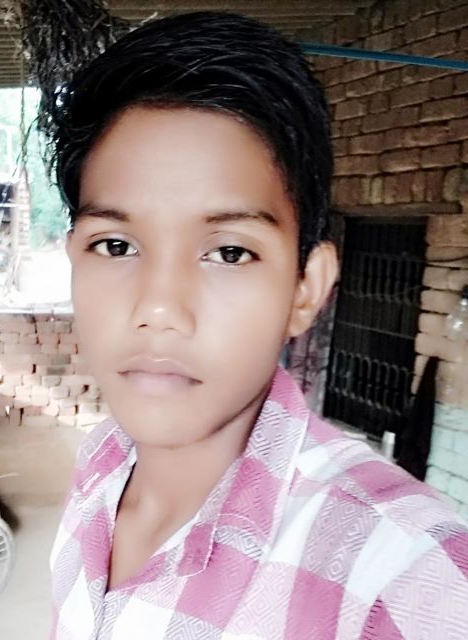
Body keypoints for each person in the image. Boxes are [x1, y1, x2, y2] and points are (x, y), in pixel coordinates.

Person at [47, 12, 468, 639]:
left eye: (229, 252)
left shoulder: (408, 579)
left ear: (306, 289)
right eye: (115, 245)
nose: (158, 308)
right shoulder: (100, 464)